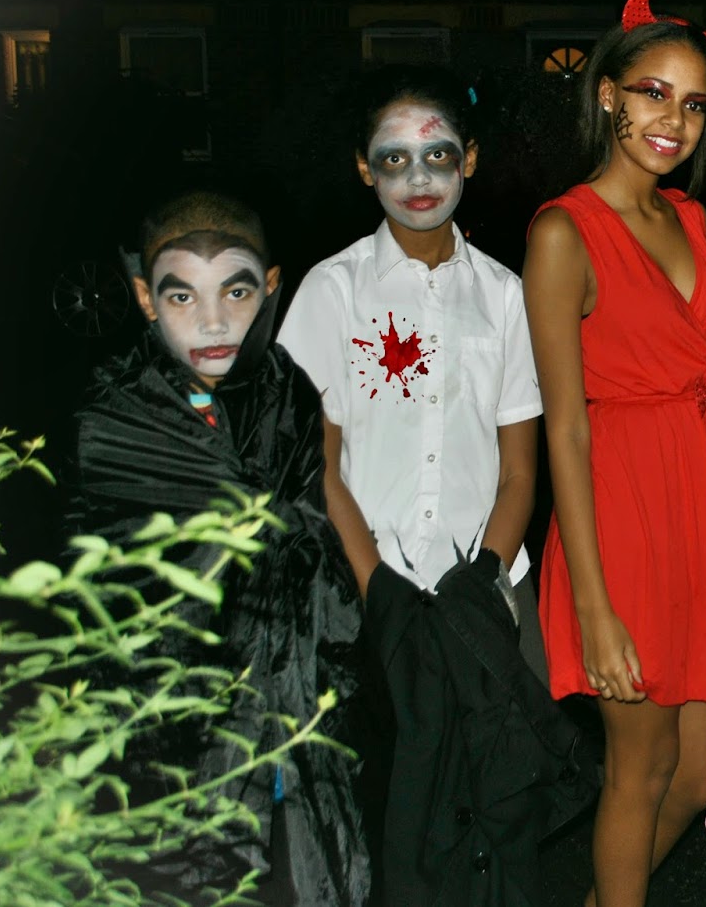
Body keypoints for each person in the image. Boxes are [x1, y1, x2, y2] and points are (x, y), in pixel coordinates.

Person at [278, 62, 571, 903]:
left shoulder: (505, 296)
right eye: (393, 158)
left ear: (468, 160)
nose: (418, 178)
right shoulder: (334, 291)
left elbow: (522, 468)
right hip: (370, 602)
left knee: (500, 820)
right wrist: (378, 590)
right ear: (364, 168)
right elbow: (317, 463)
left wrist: (483, 580)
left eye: (437, 155)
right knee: (387, 822)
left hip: (485, 600)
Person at [68, 190, 374, 906]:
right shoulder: (115, 419)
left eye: (236, 292)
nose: (213, 322)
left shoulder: (287, 391)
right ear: (144, 298)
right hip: (183, 730)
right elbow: (109, 599)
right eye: (182, 296)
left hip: (292, 704)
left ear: (270, 287)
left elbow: (316, 530)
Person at [522, 0, 706, 907]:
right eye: (653, 93)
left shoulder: (688, 217)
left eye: (693, 103)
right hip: (620, 521)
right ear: (608, 93)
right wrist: (594, 605)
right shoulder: (563, 232)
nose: (674, 120)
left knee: (696, 775)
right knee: (641, 770)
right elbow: (564, 425)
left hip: (694, 514)